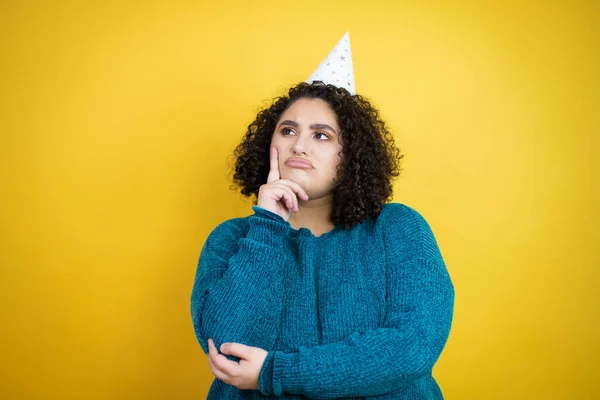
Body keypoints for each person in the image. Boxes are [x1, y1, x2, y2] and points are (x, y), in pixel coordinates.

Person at [191, 34, 454, 399]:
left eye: (322, 135)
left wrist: (276, 372)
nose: (299, 145)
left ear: (352, 156)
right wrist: (268, 226)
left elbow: (412, 346)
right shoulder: (231, 239)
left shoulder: (398, 229)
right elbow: (228, 349)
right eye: (288, 131)